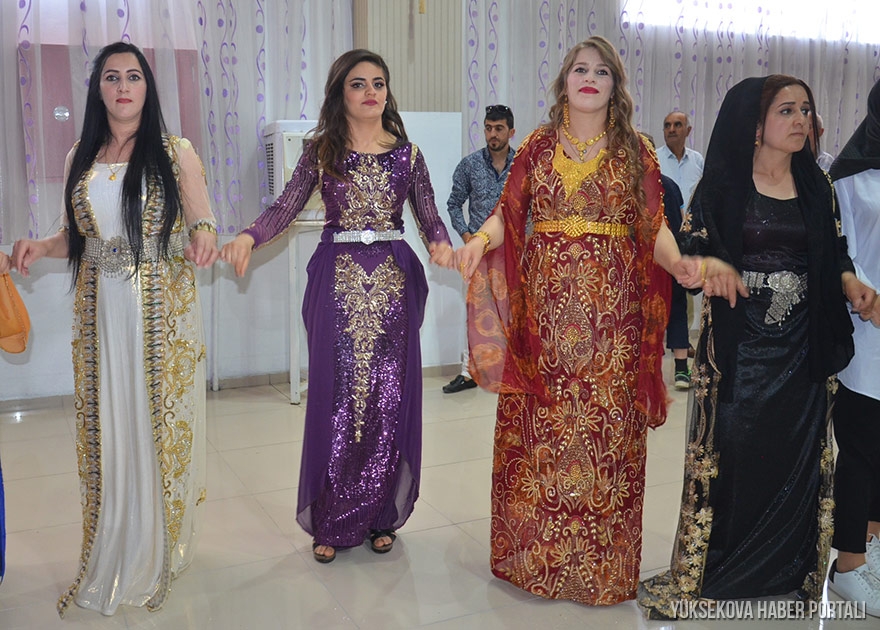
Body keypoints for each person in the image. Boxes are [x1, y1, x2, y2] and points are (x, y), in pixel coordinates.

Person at [455, 35, 701, 606]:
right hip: (543, 323)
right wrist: (478, 243)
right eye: (580, 69)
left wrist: (678, 262)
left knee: (604, 437)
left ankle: (600, 568)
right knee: (541, 435)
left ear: (616, 86)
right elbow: (506, 214)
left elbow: (654, 227)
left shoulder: (635, 151)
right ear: (564, 81)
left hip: (613, 326)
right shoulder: (537, 146)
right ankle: (536, 559)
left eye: (602, 71)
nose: (590, 78)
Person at [638, 75, 876, 619]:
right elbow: (691, 247)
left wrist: (848, 281)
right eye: (786, 110)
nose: (800, 120)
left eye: (805, 110)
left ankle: (786, 572)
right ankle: (720, 572)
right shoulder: (722, 185)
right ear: (755, 123)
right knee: (734, 456)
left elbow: (835, 250)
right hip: (739, 352)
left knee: (796, 459)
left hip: (803, 352)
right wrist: (711, 265)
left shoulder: (816, 184)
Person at [221, 49, 454, 564]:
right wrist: (248, 235)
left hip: (391, 286)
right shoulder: (321, 152)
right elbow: (284, 206)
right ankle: (331, 518)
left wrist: (441, 244)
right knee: (338, 397)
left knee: (387, 397)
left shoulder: (408, 155)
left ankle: (380, 515)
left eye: (379, 83)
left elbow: (430, 216)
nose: (371, 92)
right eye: (358, 83)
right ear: (340, 94)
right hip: (339, 283)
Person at [11, 41, 218, 616]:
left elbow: (202, 219)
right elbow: (75, 238)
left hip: (158, 310)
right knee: (109, 417)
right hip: (99, 309)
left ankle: (155, 542)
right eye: (111, 77)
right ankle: (116, 532)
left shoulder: (175, 152)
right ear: (97, 89)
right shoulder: (80, 154)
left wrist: (204, 236)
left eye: (133, 76)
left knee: (153, 417)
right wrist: (38, 245)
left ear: (148, 87)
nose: (123, 87)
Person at [826, 77, 880, 617]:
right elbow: (838, 248)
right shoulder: (849, 178)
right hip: (869, 332)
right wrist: (864, 291)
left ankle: (873, 545)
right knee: (861, 450)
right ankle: (847, 564)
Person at [443, 104, 515, 394]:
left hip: (513, 252)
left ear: (511, 132)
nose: (492, 134)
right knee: (474, 310)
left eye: (499, 129)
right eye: (488, 128)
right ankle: (468, 372)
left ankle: (511, 371)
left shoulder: (522, 166)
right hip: (478, 253)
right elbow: (453, 204)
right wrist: (467, 237)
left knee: (513, 311)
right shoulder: (470, 165)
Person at [658, 110, 704, 207]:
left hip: (691, 216)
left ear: (688, 131)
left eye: (677, 125)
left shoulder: (697, 160)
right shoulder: (654, 159)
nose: (671, 130)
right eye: (667, 126)